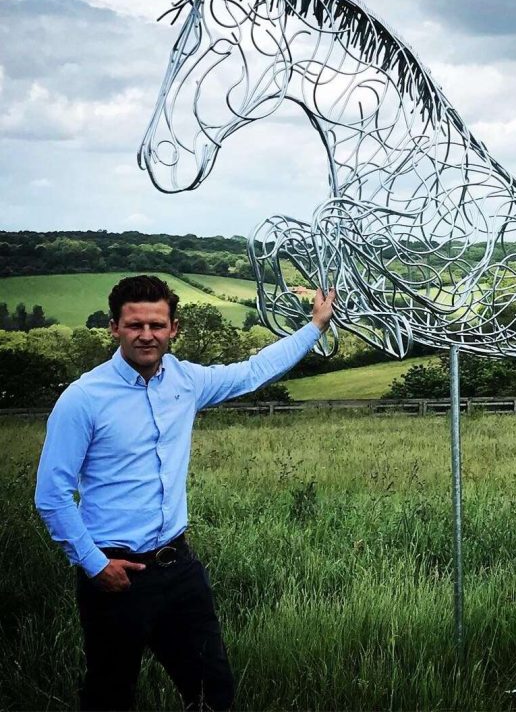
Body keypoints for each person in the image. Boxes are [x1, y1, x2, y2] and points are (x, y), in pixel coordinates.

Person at [35, 274, 335, 711]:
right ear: (114, 328)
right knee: (110, 695)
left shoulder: (185, 380)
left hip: (179, 568)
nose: (146, 335)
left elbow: (252, 371)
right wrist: (94, 564)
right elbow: (52, 495)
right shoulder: (84, 398)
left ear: (174, 328)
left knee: (212, 691)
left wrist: (315, 328)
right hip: (115, 572)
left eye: (157, 325)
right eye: (135, 325)